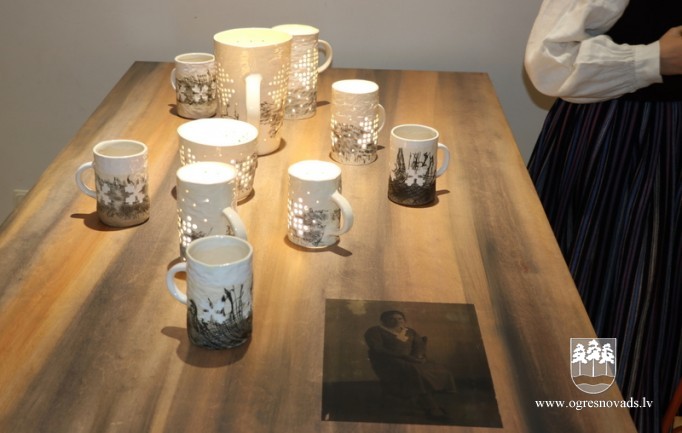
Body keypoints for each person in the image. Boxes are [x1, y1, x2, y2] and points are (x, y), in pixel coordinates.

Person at [524, 1, 682, 431]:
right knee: (602, 296)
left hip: (663, 149)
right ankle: (582, 417)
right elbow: (550, 61)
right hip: (622, 145)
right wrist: (653, 59)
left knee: (654, 307)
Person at [364, 310, 456, 418]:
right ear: (383, 321)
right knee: (414, 371)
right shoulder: (375, 331)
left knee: (438, 369)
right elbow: (377, 349)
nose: (397, 321)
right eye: (392, 319)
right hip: (388, 361)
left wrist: (419, 356)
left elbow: (419, 345)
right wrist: (403, 356)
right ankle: (431, 406)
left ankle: (427, 395)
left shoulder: (410, 331)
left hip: (410, 359)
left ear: (404, 320)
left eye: (400, 318)